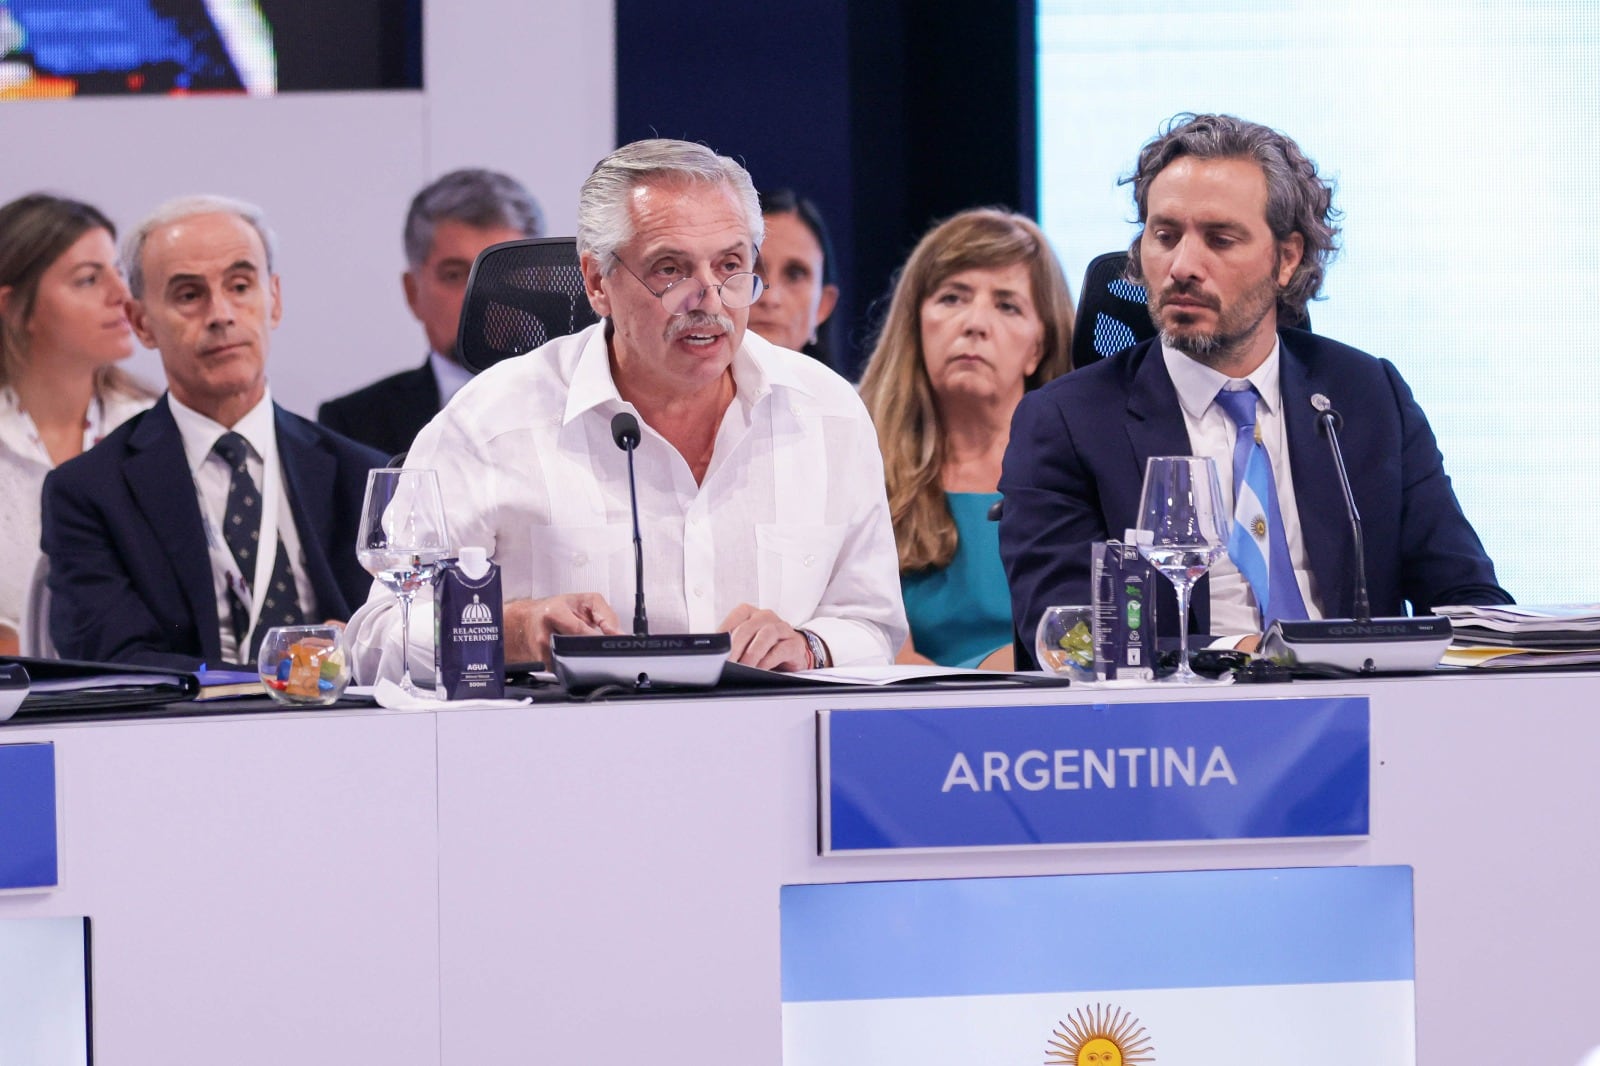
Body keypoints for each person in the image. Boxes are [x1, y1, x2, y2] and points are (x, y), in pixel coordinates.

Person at [346, 139, 906, 681]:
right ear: (596, 283)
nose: (709, 296)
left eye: (730, 265)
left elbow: (874, 623)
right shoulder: (490, 424)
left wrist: (810, 646)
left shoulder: (827, 413)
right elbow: (378, 635)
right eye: (670, 269)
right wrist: (511, 630)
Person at [999, 113, 1511, 664]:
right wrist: (1253, 655)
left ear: (1286, 259)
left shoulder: (1367, 397)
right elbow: (1070, 639)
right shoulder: (1067, 421)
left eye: (1220, 239)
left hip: (1364, 718)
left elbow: (1468, 601)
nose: (1183, 266)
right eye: (1164, 236)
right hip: (1172, 732)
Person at [41, 195, 387, 669]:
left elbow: (413, 636)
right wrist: (289, 667)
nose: (221, 313)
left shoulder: (363, 473)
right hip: (182, 736)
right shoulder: (90, 493)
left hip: (352, 729)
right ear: (142, 323)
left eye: (240, 286)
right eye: (189, 295)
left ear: (275, 300)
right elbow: (116, 664)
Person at [859, 208, 1074, 668]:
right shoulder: (856, 462)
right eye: (953, 298)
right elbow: (867, 653)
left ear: (1038, 347)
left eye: (1007, 305)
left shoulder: (1081, 476)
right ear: (917, 324)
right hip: (904, 723)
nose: (975, 323)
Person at [0, 194, 157, 655]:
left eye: (118, 272)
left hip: (138, 699)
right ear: (12, 307)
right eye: (88, 279)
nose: (121, 295)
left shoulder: (155, 426)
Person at [317, 168, 544, 457]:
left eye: (504, 273)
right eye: (454, 275)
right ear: (413, 292)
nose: (481, 297)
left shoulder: (580, 406)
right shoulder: (352, 425)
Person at [748, 188, 840, 369]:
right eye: (752, 268)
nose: (770, 298)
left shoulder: (848, 398)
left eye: (795, 275)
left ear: (824, 305)